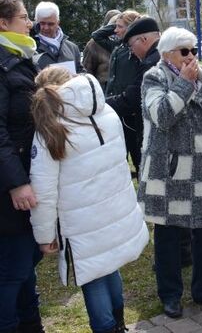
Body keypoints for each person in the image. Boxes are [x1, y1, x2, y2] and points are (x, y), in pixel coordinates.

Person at [29, 68, 148, 333]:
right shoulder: (106, 112)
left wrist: (44, 234)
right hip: (113, 208)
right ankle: (118, 325)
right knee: (108, 265)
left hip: (80, 219)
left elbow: (44, 189)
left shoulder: (52, 126)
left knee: (92, 275)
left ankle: (107, 328)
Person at [139, 27, 202, 319]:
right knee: (168, 233)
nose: (191, 56)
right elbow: (163, 116)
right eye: (185, 51)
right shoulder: (153, 77)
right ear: (167, 53)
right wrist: (183, 83)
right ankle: (170, 295)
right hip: (171, 170)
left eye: (194, 50)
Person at [0, 0, 44, 333]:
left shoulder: (22, 57)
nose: (30, 23)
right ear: (3, 23)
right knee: (13, 269)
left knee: (27, 264)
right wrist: (17, 182)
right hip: (10, 187)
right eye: (24, 17)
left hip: (29, 175)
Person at [105, 16, 160, 179]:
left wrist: (99, 105)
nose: (131, 51)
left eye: (131, 45)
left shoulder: (151, 62)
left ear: (143, 39)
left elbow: (132, 99)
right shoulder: (160, 55)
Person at [93, 10, 141, 173]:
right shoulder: (118, 46)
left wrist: (132, 26)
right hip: (115, 108)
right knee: (118, 155)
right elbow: (97, 36)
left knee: (138, 155)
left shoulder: (136, 50)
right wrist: (117, 22)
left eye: (120, 27)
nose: (115, 30)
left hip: (131, 112)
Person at [32, 2, 82, 73]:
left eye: (50, 24)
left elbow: (82, 73)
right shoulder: (30, 48)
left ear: (58, 22)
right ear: (36, 21)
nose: (46, 28)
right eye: (42, 23)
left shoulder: (72, 48)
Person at [82, 9, 120, 90]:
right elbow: (86, 71)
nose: (117, 29)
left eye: (120, 25)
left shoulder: (125, 43)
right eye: (115, 24)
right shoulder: (94, 44)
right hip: (101, 89)